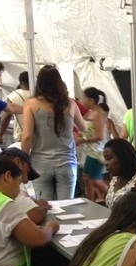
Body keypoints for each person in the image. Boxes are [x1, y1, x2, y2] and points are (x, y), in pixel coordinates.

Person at [21, 65, 86, 200]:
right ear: (59, 82)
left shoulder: (31, 104)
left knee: (45, 208)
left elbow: (27, 136)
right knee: (67, 208)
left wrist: (23, 163)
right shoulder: (70, 104)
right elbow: (84, 128)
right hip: (67, 163)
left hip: (40, 164)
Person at [74, 87, 108, 202]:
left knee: (94, 180)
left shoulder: (98, 114)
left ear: (91, 100)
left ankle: (114, 197)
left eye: (85, 98)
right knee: (87, 178)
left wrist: (82, 139)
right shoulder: (90, 113)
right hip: (89, 152)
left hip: (96, 152)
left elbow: (100, 136)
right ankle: (91, 201)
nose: (82, 100)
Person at [0, 71, 30, 146]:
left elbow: (7, 117)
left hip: (21, 138)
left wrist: (0, 135)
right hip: (39, 139)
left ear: (21, 82)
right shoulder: (39, 95)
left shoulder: (13, 95)